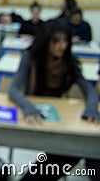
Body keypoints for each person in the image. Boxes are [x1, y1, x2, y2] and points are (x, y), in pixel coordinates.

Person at [8, 19, 100, 181]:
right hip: (34, 118)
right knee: (69, 151)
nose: (62, 46)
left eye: (65, 41)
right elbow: (13, 89)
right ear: (46, 40)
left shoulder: (69, 62)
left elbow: (88, 90)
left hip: (59, 119)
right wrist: (28, 106)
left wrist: (92, 109)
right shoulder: (31, 57)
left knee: (74, 148)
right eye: (56, 41)